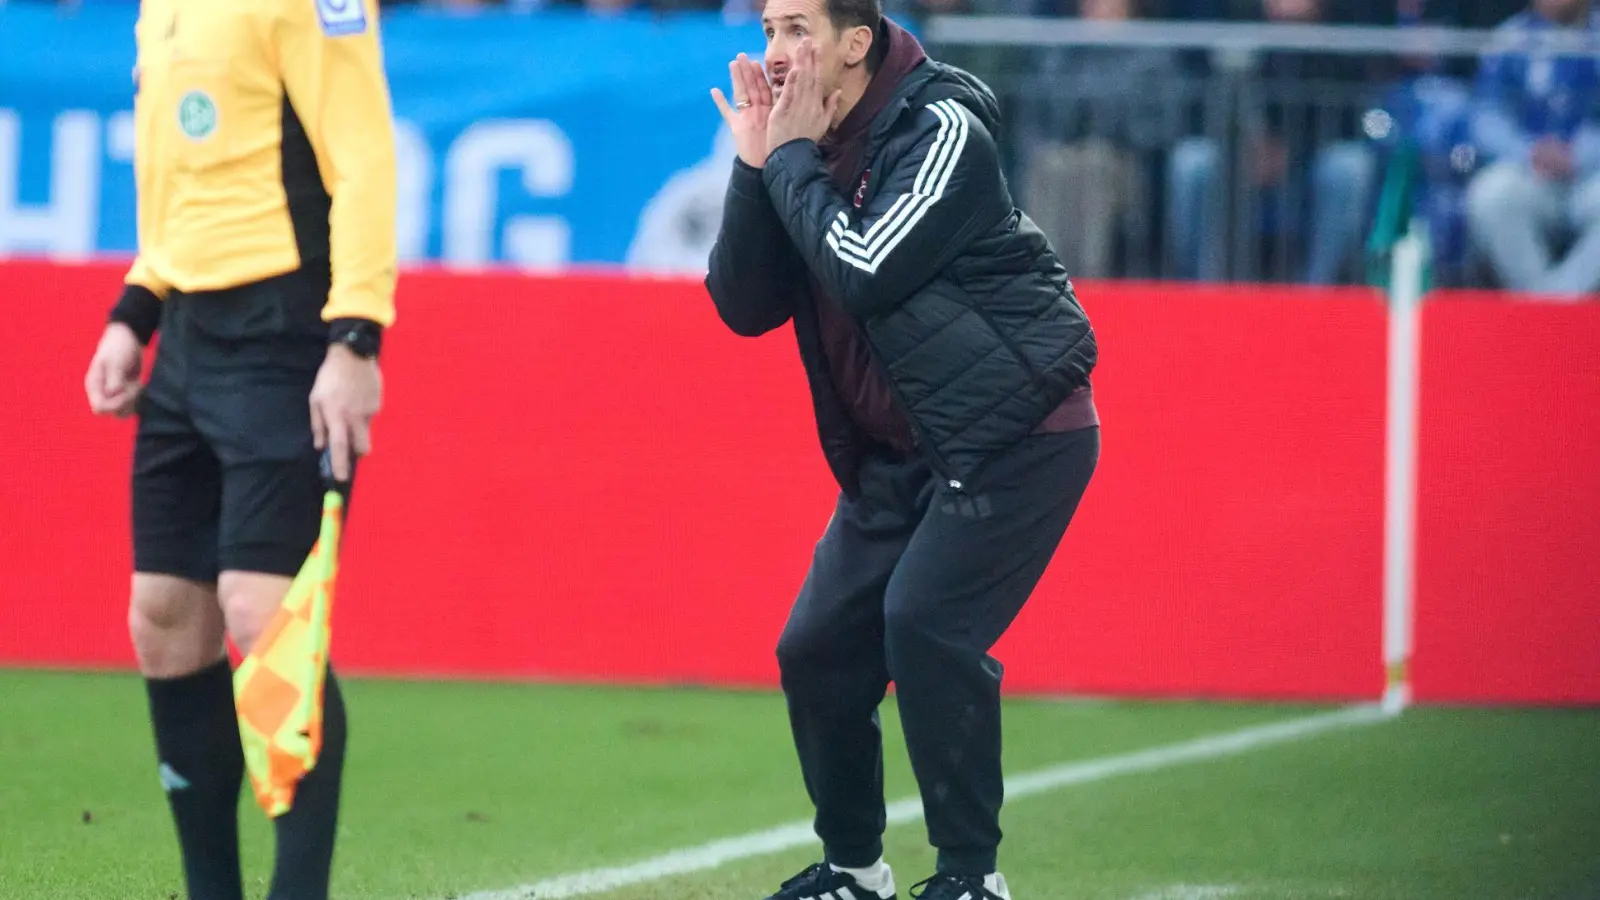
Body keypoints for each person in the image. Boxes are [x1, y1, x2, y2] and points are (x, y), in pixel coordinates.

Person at [705, 3, 1100, 898]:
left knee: (926, 625)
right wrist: (754, 159)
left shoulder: (944, 127)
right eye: (768, 29)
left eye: (798, 29)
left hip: (1014, 434)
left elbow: (862, 268)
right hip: (897, 455)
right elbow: (744, 304)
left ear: (857, 43)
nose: (776, 52)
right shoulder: (804, 143)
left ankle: (971, 879)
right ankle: (855, 873)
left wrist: (793, 159)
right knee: (816, 649)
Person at [80, 0, 399, 897]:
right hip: (184, 334)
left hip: (284, 334)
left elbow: (364, 157)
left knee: (263, 621)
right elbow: (187, 196)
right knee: (165, 618)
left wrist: (356, 336)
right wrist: (131, 313)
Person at [1465, 0, 1600, 297]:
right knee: (1490, 195)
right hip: (1531, 170)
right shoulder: (1510, 38)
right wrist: (1529, 150)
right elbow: (1485, 118)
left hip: (1592, 174)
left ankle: (1564, 301)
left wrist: (1580, 154)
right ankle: (1541, 304)